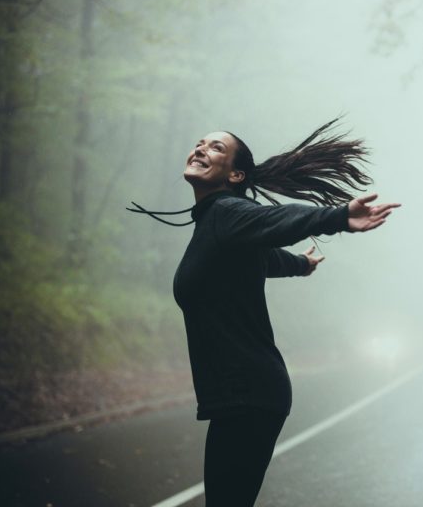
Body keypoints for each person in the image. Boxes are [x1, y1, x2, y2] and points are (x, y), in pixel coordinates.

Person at [129, 119, 399, 506]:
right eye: (199, 143)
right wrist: (301, 265)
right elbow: (262, 257)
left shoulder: (227, 213)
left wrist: (338, 217)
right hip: (243, 394)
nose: (201, 148)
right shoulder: (216, 224)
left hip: (248, 393)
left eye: (216, 147)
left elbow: (275, 220)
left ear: (235, 174)